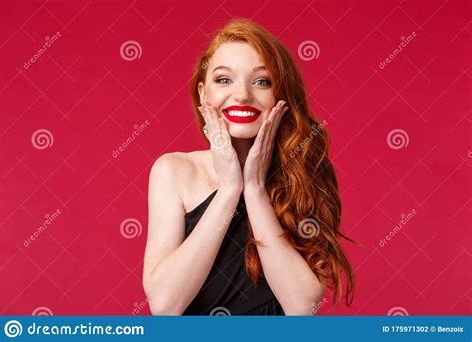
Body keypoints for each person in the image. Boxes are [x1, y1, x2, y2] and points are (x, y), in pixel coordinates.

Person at [143, 18, 357, 315]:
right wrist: (230, 189)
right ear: (204, 94)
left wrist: (254, 189)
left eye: (261, 81)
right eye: (223, 80)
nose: (242, 95)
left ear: (280, 95)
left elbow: (302, 307)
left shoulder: (307, 172)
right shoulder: (174, 171)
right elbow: (165, 306)